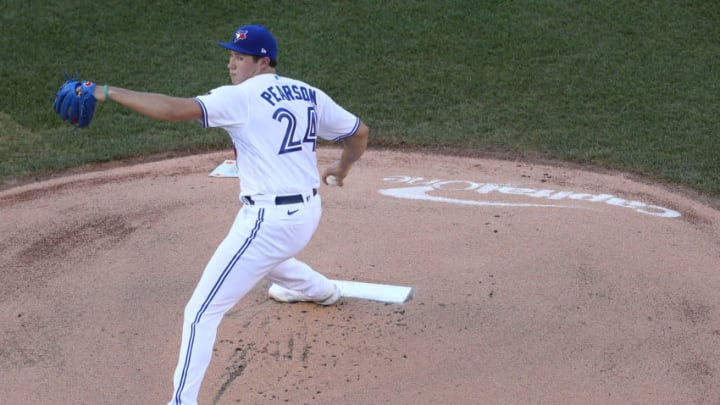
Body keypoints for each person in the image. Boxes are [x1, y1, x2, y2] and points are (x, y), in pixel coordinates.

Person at [91, 24, 369, 404]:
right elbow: (360, 133)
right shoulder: (309, 93)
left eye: (240, 57)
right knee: (262, 256)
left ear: (262, 61)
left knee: (200, 313)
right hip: (307, 214)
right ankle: (322, 291)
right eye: (231, 55)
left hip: (268, 224)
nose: (231, 64)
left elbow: (173, 110)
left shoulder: (240, 98)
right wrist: (342, 169)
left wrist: (107, 91)